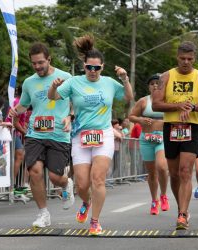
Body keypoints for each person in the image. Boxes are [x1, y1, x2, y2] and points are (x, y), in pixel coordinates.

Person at [48, 35, 133, 236]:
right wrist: (53, 86)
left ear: (102, 67)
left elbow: (128, 97)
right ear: (84, 66)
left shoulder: (110, 83)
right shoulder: (74, 82)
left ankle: (95, 221)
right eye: (89, 68)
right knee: (82, 184)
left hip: (103, 134)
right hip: (81, 136)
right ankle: (86, 202)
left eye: (97, 68)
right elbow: (53, 97)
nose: (93, 72)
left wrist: (125, 78)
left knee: (98, 180)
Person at [152, 41, 198, 230]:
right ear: (177, 57)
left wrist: (194, 107)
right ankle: (182, 208)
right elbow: (156, 104)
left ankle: (182, 215)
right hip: (171, 126)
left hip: (192, 126)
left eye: (189, 59)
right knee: (174, 174)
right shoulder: (166, 76)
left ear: (194, 58)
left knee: (185, 171)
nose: (186, 62)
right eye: (182, 58)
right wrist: (178, 106)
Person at [9, 42, 75, 228]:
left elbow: (75, 101)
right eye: (34, 63)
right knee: (35, 171)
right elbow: (24, 104)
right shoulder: (29, 82)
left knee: (55, 177)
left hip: (59, 134)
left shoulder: (65, 77)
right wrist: (16, 111)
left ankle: (65, 183)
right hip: (35, 133)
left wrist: (70, 117)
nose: (37, 67)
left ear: (49, 59)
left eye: (41, 63)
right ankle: (43, 213)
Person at [129, 74, 169, 215]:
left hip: (163, 138)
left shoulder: (167, 100)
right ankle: (154, 200)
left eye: (158, 83)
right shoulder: (143, 101)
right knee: (151, 173)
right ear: (149, 86)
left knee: (162, 167)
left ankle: (163, 195)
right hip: (146, 139)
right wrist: (140, 120)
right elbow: (131, 116)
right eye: (152, 84)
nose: (155, 86)